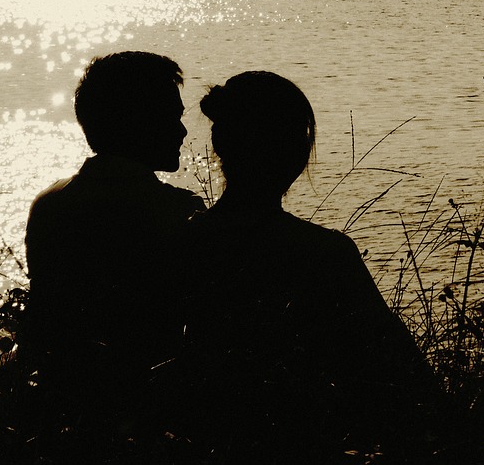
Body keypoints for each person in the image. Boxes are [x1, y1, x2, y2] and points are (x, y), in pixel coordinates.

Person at [175, 71, 435, 458]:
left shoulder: (179, 244)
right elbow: (407, 381)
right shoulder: (324, 254)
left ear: (220, 145)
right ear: (295, 150)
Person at [22, 51, 205, 441]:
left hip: (67, 408)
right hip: (150, 415)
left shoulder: (49, 204)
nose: (182, 132)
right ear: (140, 122)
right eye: (172, 117)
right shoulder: (177, 212)